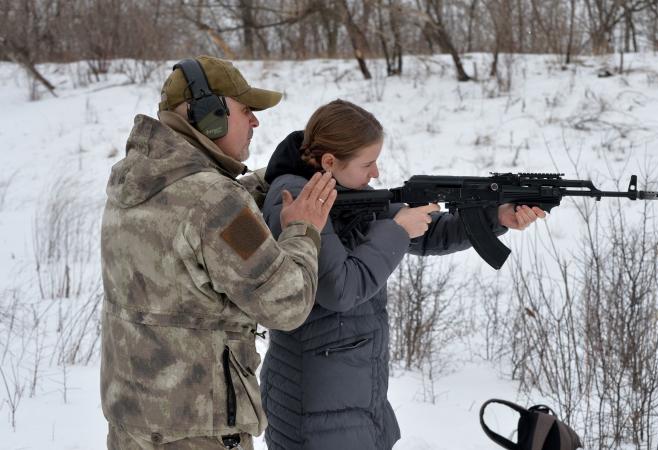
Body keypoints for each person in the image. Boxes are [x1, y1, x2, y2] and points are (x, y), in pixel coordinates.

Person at [258, 99, 545, 450]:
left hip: (351, 395)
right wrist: (396, 231)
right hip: (316, 404)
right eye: (368, 163)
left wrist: (495, 217)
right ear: (330, 161)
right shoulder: (297, 200)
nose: (376, 173)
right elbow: (341, 288)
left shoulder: (342, 189)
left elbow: (427, 231)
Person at [99, 55, 338, 450]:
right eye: (246, 111)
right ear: (209, 116)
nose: (255, 122)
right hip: (198, 430)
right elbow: (287, 303)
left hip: (133, 421)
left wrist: (268, 179)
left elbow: (197, 223)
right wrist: (303, 229)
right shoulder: (217, 203)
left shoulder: (136, 179)